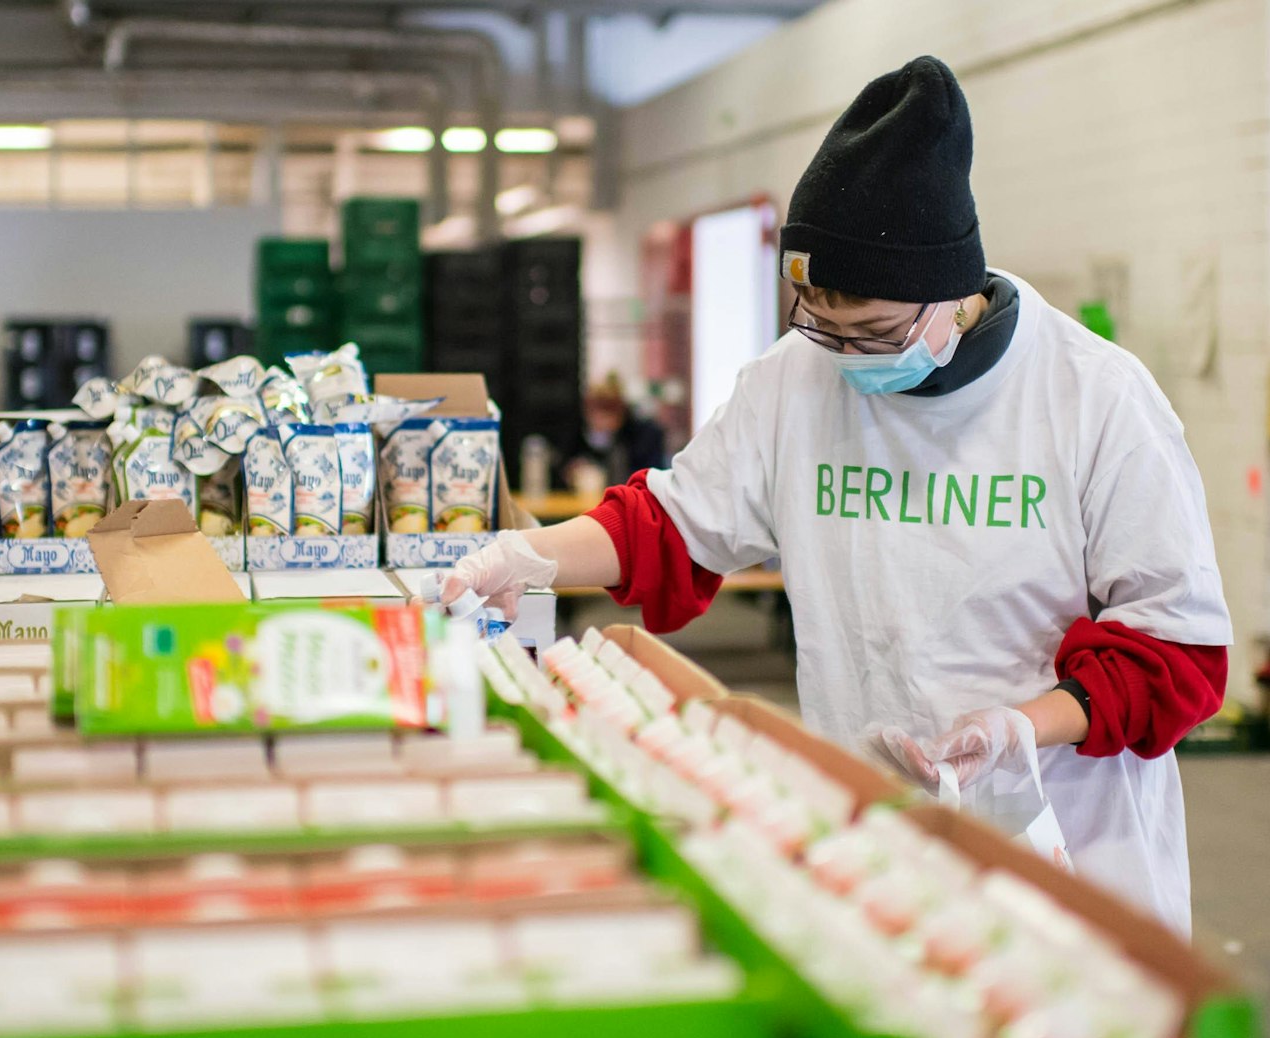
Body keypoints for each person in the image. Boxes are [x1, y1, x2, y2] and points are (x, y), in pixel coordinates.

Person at [442, 57, 1229, 933]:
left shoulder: (1095, 401)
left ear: (953, 294)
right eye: (822, 325)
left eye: (875, 332)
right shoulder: (797, 380)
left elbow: (1178, 655)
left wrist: (1022, 727)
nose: (848, 356)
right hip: (872, 828)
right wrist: (531, 554)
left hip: (1064, 839)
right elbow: (670, 523)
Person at [558, 373, 668, 489]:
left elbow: (650, 478)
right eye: (595, 409)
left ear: (621, 409)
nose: (601, 418)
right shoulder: (576, 431)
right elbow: (563, 467)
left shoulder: (644, 435)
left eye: (608, 410)